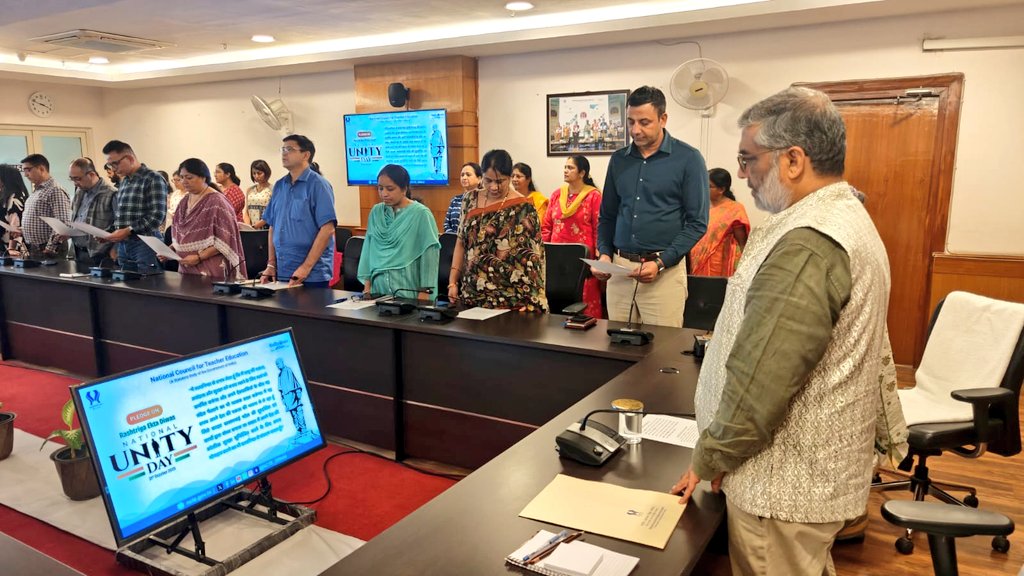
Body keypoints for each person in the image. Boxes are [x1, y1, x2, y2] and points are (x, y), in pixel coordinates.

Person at [673, 87, 891, 576]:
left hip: (783, 484)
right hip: (807, 480)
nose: (744, 174)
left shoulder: (809, 243)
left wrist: (710, 457)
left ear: (793, 159)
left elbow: (760, 381)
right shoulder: (841, 214)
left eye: (749, 160)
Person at [592, 85, 708, 328]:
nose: (636, 130)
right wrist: (604, 252)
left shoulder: (688, 159)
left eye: (644, 122)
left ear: (663, 119)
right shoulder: (619, 160)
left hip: (663, 272)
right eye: (631, 122)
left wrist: (661, 262)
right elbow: (607, 215)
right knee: (618, 348)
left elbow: (697, 223)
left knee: (662, 354)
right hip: (620, 270)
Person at [448, 149, 547, 312]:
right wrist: (453, 281)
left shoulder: (524, 207)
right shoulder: (469, 199)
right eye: (488, 180)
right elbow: (461, 241)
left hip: (511, 297)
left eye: (500, 181)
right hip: (473, 292)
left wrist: (533, 299)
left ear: (509, 177)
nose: (494, 187)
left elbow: (535, 257)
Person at [260, 134, 337, 288]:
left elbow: (327, 229)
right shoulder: (280, 185)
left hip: (311, 274)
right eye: (282, 149)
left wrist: (306, 267)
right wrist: (271, 264)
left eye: (289, 149)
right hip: (282, 271)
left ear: (305, 155)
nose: (284, 153)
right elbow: (273, 226)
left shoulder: (318, 185)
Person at [358, 164, 440, 299]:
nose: (384, 193)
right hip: (378, 290)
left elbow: (429, 254)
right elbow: (369, 249)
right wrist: (367, 287)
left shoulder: (421, 214)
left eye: (390, 189)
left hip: (409, 290)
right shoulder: (376, 212)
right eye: (380, 188)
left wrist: (425, 293)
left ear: (404, 189)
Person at [542, 154, 604, 318]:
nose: (566, 171)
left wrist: (599, 256)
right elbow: (547, 225)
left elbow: (599, 227)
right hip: (557, 257)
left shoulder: (593, 196)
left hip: (582, 258)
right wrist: (542, 251)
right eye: (565, 167)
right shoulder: (557, 194)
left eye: (570, 168)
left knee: (584, 300)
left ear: (582, 173)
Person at [171, 158, 247, 281]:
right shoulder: (184, 201)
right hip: (186, 267)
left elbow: (226, 238)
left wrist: (199, 257)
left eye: (189, 178)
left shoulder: (217, 201)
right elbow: (180, 232)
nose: (184, 181)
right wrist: (172, 247)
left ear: (203, 177)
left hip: (209, 268)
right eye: (182, 177)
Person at [102, 140, 168, 273]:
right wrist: (109, 232)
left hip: (146, 243)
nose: (113, 168)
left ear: (130, 158)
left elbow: (156, 216)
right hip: (124, 244)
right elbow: (122, 216)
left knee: (149, 287)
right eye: (110, 164)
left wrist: (128, 230)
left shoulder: (153, 178)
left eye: (115, 163)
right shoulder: (125, 181)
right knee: (128, 287)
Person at [688, 168, 750, 277]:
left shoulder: (735, 209)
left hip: (720, 266)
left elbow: (742, 243)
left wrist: (746, 270)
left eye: (708, 186)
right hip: (695, 262)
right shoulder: (701, 207)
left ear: (721, 189)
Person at [14, 154, 71, 260]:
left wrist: (50, 247)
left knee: (49, 276)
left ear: (41, 168)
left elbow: (62, 223)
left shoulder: (55, 190)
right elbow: (39, 220)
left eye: (28, 170)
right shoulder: (38, 190)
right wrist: (23, 230)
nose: (25, 175)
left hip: (48, 249)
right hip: (35, 248)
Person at [66, 158, 117, 266]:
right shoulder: (80, 192)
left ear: (92, 174)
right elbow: (77, 218)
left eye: (77, 179)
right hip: (77, 252)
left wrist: (114, 248)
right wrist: (68, 232)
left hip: (100, 255)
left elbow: (119, 225)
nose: (75, 183)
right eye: (72, 179)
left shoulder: (111, 194)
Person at [443, 162, 481, 234]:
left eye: (468, 175)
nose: (464, 177)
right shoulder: (455, 200)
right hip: (454, 241)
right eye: (462, 175)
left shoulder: (483, 200)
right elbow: (446, 224)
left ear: (479, 179)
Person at [0, 164, 29, 252]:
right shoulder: (8, 195)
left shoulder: (15, 198)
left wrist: (12, 248)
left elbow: (15, 227)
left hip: (11, 247)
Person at [243, 159, 273, 229]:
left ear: (266, 173)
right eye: (254, 173)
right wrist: (248, 226)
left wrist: (256, 226)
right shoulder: (249, 190)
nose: (256, 176)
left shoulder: (273, 189)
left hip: (266, 228)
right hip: (251, 229)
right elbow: (246, 211)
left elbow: (272, 213)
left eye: (259, 173)